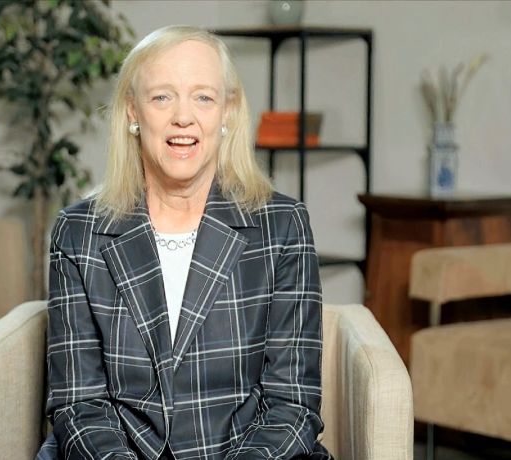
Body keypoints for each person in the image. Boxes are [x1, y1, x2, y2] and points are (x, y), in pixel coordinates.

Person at [37, 25, 331, 460]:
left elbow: (293, 404)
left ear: (228, 112)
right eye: (162, 97)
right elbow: (79, 403)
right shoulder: (78, 232)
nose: (183, 117)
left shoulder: (282, 226)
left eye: (203, 97)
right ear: (132, 111)